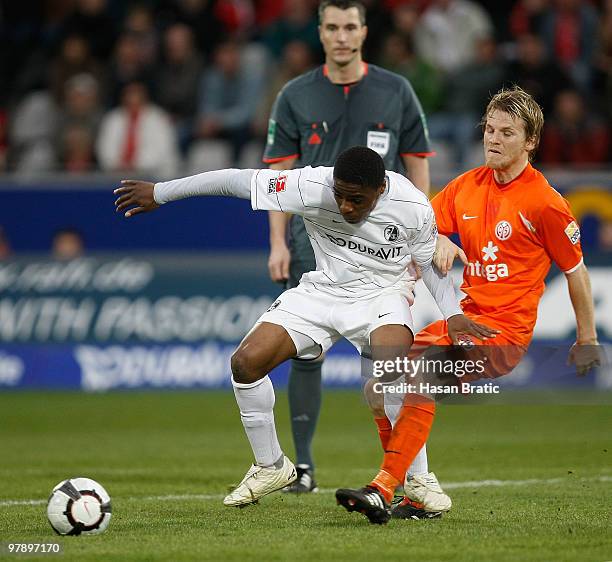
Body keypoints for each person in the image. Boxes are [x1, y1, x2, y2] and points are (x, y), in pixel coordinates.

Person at [113, 145, 497, 512]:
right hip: (320, 291)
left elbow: (429, 261)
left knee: (392, 365)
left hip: (382, 294)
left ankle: (418, 478)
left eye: (357, 200)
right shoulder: (310, 185)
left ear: (380, 190)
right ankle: (271, 465)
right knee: (245, 364)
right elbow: (234, 179)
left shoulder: (412, 205)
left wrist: (452, 314)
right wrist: (161, 193)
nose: (345, 206)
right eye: (340, 196)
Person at [337, 86, 602, 524]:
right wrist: (439, 236)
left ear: (530, 141)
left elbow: (576, 271)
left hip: (503, 337)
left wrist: (587, 338)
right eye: (490, 130)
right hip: (463, 325)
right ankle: (420, 494)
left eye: (507, 133)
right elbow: (418, 230)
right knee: (378, 388)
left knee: (417, 376)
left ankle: (383, 487)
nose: (493, 140)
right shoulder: (466, 187)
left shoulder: (546, 203)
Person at [264, 0, 434, 495]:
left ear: (363, 31)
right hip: (311, 242)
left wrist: (425, 237)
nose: (342, 36)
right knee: (303, 353)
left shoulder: (396, 90)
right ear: (320, 32)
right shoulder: (295, 94)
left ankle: (399, 473)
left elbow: (417, 163)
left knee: (383, 363)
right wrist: (276, 240)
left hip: (385, 250)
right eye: (332, 27)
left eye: (350, 26)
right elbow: (278, 176)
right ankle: (303, 466)